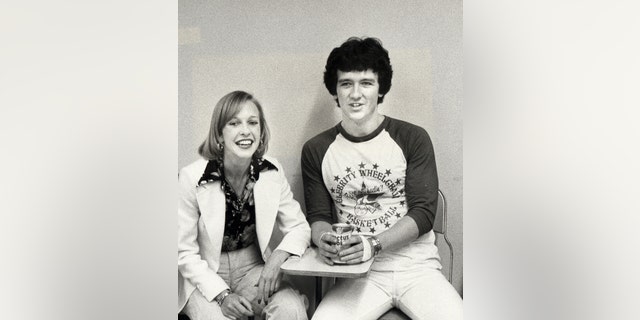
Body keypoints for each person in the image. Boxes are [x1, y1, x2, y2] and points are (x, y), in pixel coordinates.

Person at [301, 37, 463, 319]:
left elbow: (424, 214)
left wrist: (372, 245)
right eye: (346, 83)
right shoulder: (317, 149)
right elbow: (317, 216)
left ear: (380, 89)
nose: (355, 94)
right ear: (335, 91)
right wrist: (323, 238)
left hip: (417, 269)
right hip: (359, 275)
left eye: (366, 83)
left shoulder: (412, 137)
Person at [179, 90, 311, 320]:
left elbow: (300, 228)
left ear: (261, 132)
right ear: (219, 134)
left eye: (252, 122)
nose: (245, 130)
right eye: (234, 123)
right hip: (206, 273)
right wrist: (222, 295)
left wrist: (277, 258)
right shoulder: (192, 177)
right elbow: (184, 252)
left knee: (292, 309)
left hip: (253, 267)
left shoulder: (271, 171)